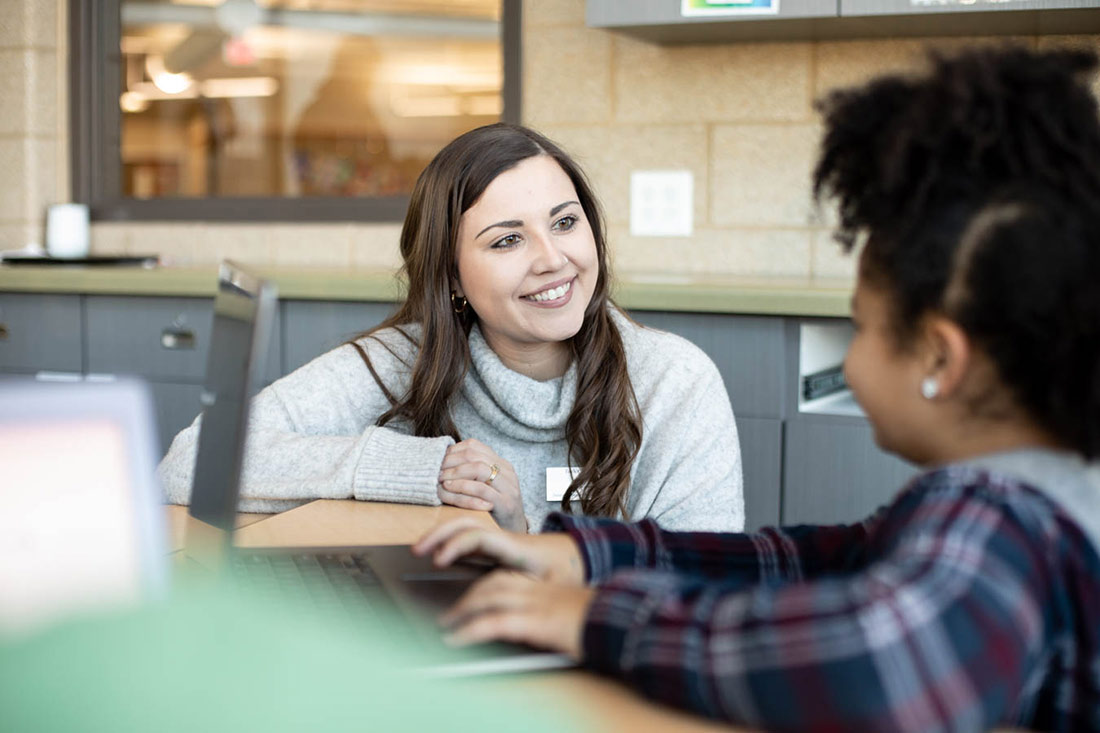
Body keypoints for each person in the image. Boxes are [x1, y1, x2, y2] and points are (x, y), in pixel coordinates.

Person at [413, 45, 1100, 730]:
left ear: (940, 361)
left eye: (860, 329)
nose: (852, 363)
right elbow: (804, 561)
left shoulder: (1008, 518)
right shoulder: (1015, 490)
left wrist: (597, 617)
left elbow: (875, 670)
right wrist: (583, 554)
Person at [159, 123, 744, 533]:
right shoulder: (402, 361)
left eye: (565, 223)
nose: (552, 258)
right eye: (508, 239)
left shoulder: (674, 383)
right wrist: (421, 469)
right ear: (453, 276)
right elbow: (191, 461)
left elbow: (702, 592)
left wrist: (515, 538)